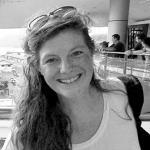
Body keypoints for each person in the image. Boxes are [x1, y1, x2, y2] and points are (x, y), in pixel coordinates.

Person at [3, 6, 149, 150]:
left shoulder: (127, 91)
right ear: (38, 67)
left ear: (91, 53)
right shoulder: (25, 136)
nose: (66, 68)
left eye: (76, 53)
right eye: (51, 60)